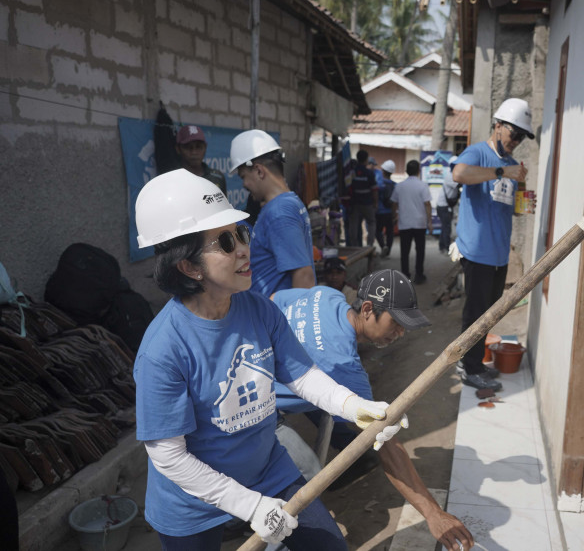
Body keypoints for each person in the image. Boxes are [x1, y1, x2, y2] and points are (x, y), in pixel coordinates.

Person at [132, 170, 405, 550]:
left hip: (266, 471)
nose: (244, 249)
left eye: (242, 233)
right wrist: (249, 505)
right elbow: (170, 457)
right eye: (225, 242)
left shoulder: (259, 309)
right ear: (189, 266)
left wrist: (355, 406)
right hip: (190, 501)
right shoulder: (163, 349)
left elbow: (302, 376)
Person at [272, 270, 474, 551]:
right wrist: (433, 513)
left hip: (260, 378)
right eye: (396, 323)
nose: (400, 333)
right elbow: (387, 446)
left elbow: (274, 298)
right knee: (307, 478)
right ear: (368, 309)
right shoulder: (345, 368)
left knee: (331, 412)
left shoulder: (327, 296)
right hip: (261, 414)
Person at [451, 98, 535, 392]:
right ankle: (469, 367)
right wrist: (501, 172)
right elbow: (458, 174)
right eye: (514, 133)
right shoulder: (478, 152)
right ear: (498, 126)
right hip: (477, 252)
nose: (516, 141)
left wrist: (523, 198)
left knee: (488, 315)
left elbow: (510, 208)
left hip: (499, 254)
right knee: (474, 315)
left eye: (522, 137)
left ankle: (472, 361)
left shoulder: (512, 165)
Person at [229, 129, 315, 295]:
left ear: (259, 171)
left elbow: (303, 276)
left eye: (243, 176)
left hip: (278, 317)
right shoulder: (286, 203)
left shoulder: (280, 212)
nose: (244, 184)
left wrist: (296, 320)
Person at [391, 160, 432, 284]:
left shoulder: (399, 186)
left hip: (405, 223)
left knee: (405, 250)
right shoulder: (423, 186)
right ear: (418, 171)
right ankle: (419, 274)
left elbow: (393, 203)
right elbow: (427, 204)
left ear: (406, 171)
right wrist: (429, 221)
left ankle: (404, 275)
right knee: (420, 250)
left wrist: (395, 216)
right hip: (419, 223)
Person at [175, 125, 227, 194]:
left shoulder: (217, 177)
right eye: (188, 147)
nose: (194, 152)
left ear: (205, 147)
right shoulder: (173, 180)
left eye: (198, 147)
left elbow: (223, 205)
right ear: (178, 149)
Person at [349, 150, 378, 248]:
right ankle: (369, 245)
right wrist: (375, 203)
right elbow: (374, 190)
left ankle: (354, 245)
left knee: (354, 224)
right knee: (371, 222)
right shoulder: (369, 173)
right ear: (366, 160)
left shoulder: (352, 172)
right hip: (367, 203)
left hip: (355, 203)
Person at [436, 156, 460, 253]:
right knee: (446, 227)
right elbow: (461, 184)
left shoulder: (454, 175)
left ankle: (442, 246)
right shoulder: (450, 176)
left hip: (446, 206)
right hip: (443, 206)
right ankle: (445, 247)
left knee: (445, 226)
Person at [375, 160, 397, 257]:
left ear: (383, 171)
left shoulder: (378, 184)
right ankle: (388, 251)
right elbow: (396, 201)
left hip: (379, 211)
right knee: (390, 232)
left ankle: (383, 246)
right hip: (390, 212)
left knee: (377, 230)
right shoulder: (395, 185)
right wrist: (395, 214)